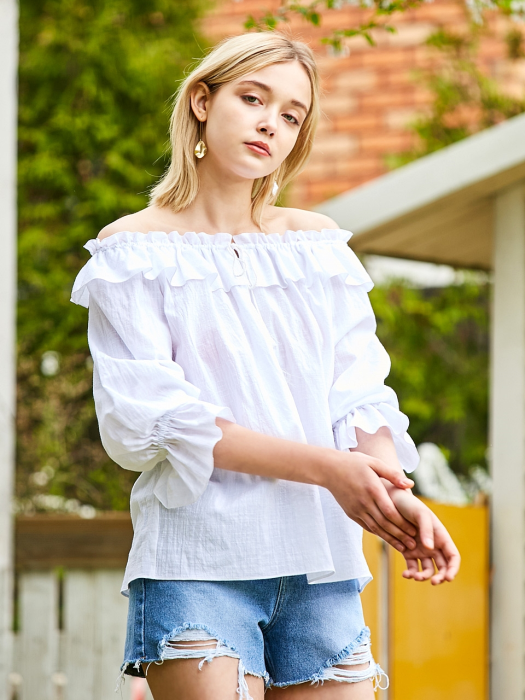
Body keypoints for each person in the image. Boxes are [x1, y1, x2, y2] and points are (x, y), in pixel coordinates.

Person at [71, 32, 460, 700]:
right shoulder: (131, 251)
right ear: (201, 100)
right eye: (252, 98)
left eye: (290, 115)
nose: (269, 124)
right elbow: (160, 422)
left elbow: (357, 393)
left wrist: (394, 496)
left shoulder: (316, 246)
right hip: (199, 559)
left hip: (324, 562)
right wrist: (332, 471)